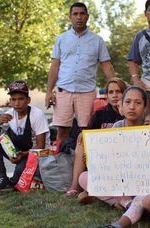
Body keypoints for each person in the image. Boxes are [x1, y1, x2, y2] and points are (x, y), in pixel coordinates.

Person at [45, 2, 116, 144]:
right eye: (75, 14)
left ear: (87, 17)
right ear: (70, 17)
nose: (79, 17)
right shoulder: (61, 39)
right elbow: (55, 66)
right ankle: (61, 163)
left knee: (87, 130)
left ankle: (85, 164)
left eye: (82, 14)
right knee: (62, 130)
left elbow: (106, 66)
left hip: (87, 91)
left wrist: (116, 88)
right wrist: (48, 91)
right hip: (64, 90)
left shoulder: (97, 40)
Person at [77, 86, 148, 209]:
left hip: (140, 180)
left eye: (138, 103)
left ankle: (106, 197)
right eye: (128, 102)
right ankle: (119, 202)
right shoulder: (117, 126)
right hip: (117, 178)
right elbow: (108, 158)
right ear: (121, 106)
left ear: (145, 107)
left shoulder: (149, 127)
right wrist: (93, 160)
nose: (132, 107)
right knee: (84, 177)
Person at [0, 80, 51, 193]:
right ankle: (2, 178)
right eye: (13, 99)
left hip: (37, 156)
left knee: (19, 176)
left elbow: (41, 145)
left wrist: (23, 154)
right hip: (19, 153)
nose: (17, 103)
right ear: (10, 101)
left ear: (28, 100)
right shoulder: (10, 113)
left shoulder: (37, 115)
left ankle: (10, 183)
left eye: (21, 99)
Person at [65, 78, 127, 196]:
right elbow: (89, 135)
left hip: (122, 158)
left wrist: (122, 111)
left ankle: (91, 192)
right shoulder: (100, 113)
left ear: (125, 93)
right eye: (111, 92)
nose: (114, 95)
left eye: (118, 91)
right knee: (81, 140)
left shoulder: (130, 112)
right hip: (101, 157)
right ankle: (75, 186)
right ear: (107, 95)